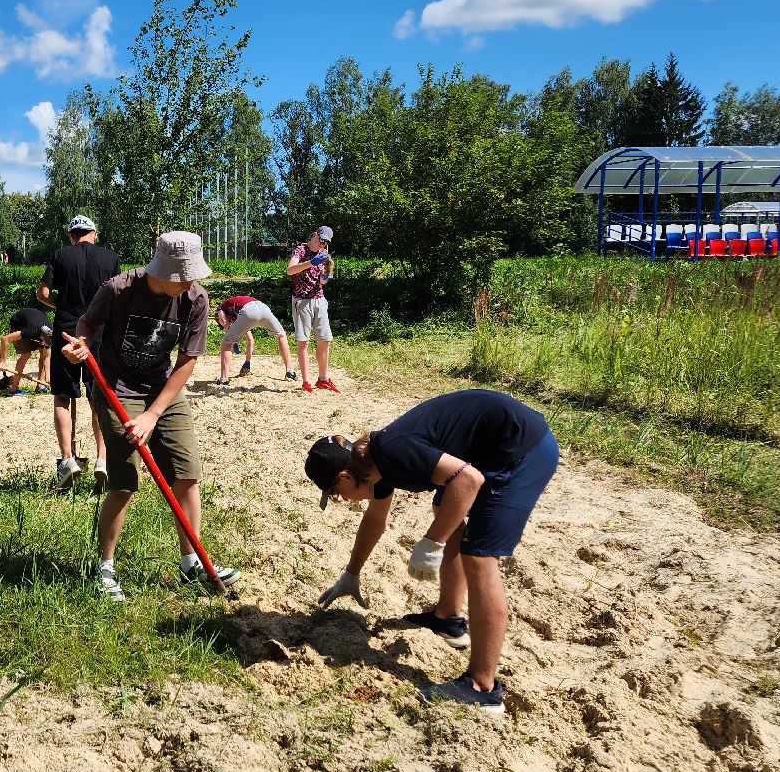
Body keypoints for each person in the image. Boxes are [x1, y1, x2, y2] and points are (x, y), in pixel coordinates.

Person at [304, 388, 560, 714]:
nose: (341, 501)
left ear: (344, 476)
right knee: (446, 511)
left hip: (523, 450)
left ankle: (483, 687)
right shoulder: (373, 465)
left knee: (479, 556)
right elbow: (375, 520)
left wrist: (432, 543)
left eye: (336, 494)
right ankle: (448, 618)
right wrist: (351, 575)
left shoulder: (394, 451)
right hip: (489, 449)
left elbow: (467, 481)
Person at [61, 231, 241, 602]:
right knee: (124, 482)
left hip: (163, 391)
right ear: (159, 269)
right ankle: (105, 569)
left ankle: (191, 562)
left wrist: (154, 415)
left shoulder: (196, 299)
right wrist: (80, 346)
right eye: (180, 275)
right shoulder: (119, 288)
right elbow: (87, 323)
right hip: (117, 388)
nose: (187, 282)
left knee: (187, 474)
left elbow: (187, 361)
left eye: (191, 275)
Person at [39, 214, 122, 491]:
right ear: (94, 234)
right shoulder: (109, 258)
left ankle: (67, 461)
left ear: (71, 235)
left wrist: (60, 304)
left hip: (66, 330)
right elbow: (117, 295)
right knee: (97, 397)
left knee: (63, 397)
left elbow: (43, 292)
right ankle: (102, 459)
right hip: (98, 334)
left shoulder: (59, 255)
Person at [286, 225, 339, 393]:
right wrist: (310, 263)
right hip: (302, 301)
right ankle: (306, 381)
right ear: (315, 235)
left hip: (319, 299)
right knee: (304, 341)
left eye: (325, 243)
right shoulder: (300, 250)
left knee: (325, 339)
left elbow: (321, 282)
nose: (322, 245)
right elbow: (290, 270)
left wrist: (326, 276)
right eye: (321, 240)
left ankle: (323, 379)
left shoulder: (324, 254)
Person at [212, 295, 297, 386]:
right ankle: (290, 372)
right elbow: (250, 340)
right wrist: (247, 363)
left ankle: (223, 379)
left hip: (248, 311)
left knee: (225, 342)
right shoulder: (236, 310)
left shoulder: (220, 309)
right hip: (264, 308)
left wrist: (229, 338)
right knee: (281, 335)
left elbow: (224, 323)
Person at [0, 307, 52, 395]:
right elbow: (5, 339)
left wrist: (48, 378)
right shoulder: (31, 331)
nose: (46, 346)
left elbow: (46, 358)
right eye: (46, 343)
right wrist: (3, 361)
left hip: (34, 322)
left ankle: (40, 385)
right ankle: (13, 389)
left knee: (43, 353)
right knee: (26, 354)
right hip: (18, 323)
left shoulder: (50, 333)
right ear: (41, 338)